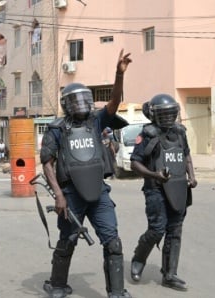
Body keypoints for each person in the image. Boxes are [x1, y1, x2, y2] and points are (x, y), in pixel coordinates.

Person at [40, 49, 132, 298]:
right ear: (66, 105)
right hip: (70, 194)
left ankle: (116, 292)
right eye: (75, 100)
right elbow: (47, 163)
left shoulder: (96, 122)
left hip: (99, 191)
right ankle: (57, 284)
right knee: (67, 240)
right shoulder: (56, 129)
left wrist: (118, 74)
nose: (80, 104)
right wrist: (58, 195)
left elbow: (113, 104)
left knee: (112, 241)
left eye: (84, 99)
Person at [128, 94, 198, 291]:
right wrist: (154, 175)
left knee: (175, 230)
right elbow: (135, 163)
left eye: (171, 114)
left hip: (178, 188)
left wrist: (191, 176)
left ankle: (169, 274)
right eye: (164, 114)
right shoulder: (147, 134)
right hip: (155, 189)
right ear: (154, 115)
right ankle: (139, 258)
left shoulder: (180, 132)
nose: (168, 118)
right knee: (157, 229)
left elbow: (186, 155)